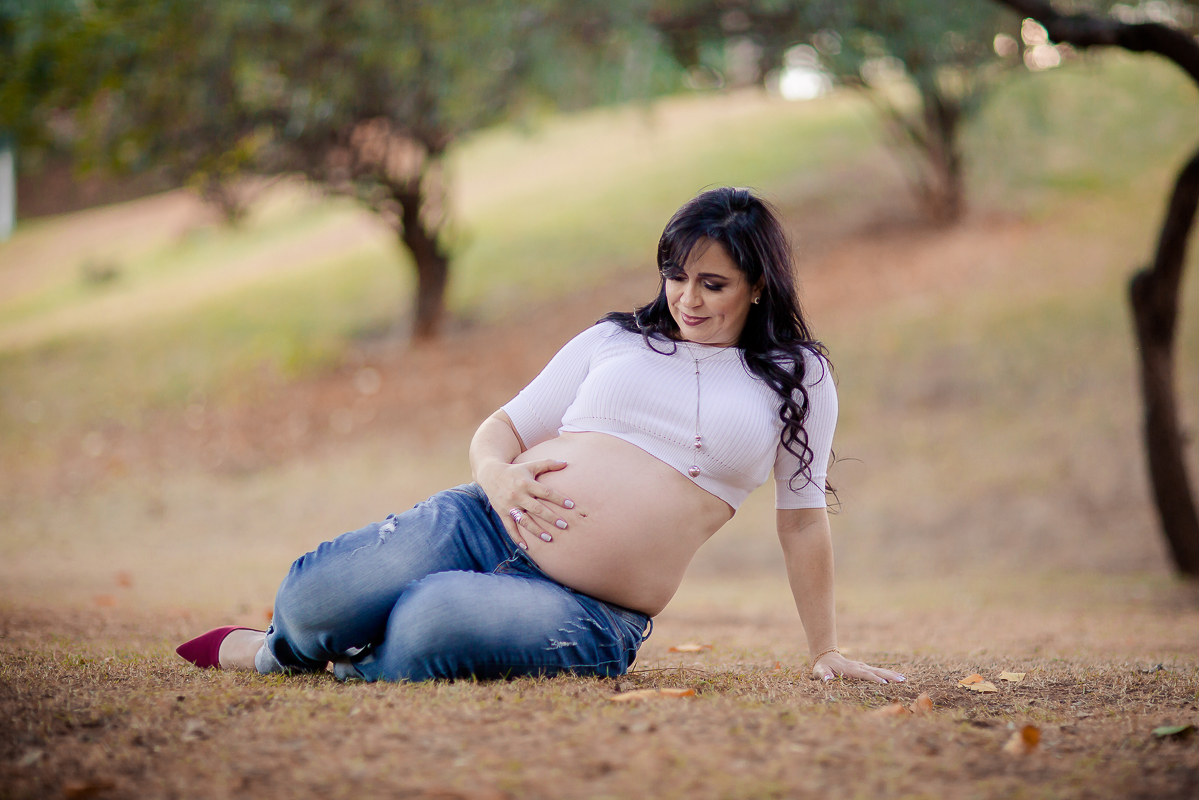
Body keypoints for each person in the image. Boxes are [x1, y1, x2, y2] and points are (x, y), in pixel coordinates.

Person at [176, 187, 903, 686]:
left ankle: (351, 662)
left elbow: (803, 523)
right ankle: (279, 652)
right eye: (675, 276)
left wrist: (826, 649)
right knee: (311, 602)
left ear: (757, 285)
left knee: (432, 620)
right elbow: (501, 429)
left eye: (711, 283)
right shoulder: (616, 340)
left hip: (592, 609)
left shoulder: (793, 375)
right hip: (480, 522)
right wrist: (497, 476)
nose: (687, 298)